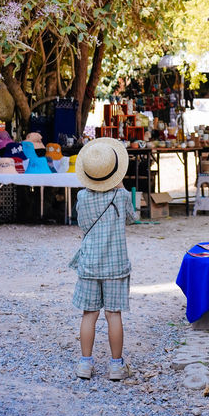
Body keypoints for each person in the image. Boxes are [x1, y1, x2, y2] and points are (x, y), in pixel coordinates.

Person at [69, 138, 138, 381]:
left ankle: (85, 364)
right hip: (116, 265)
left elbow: (81, 224)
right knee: (113, 314)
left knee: (89, 314)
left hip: (89, 264)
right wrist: (121, 189)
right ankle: (116, 366)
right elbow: (131, 218)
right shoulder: (121, 197)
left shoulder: (82, 198)